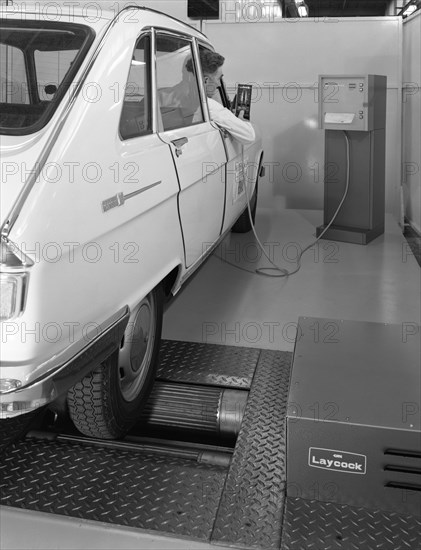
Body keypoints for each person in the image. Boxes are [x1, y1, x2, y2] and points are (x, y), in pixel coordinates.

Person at [186, 50, 256, 145]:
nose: (219, 84)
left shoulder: (174, 98)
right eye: (219, 78)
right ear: (205, 81)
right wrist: (243, 121)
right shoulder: (208, 106)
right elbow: (249, 136)